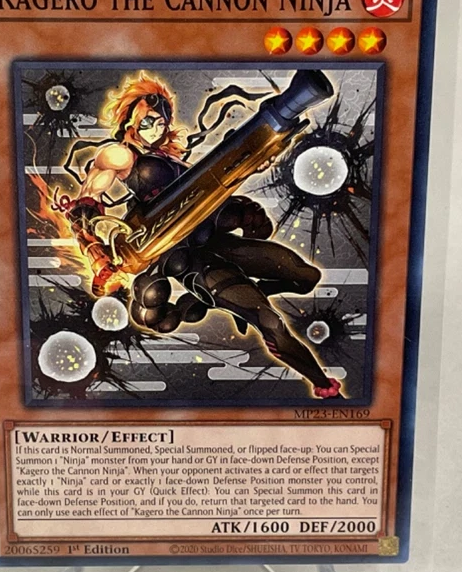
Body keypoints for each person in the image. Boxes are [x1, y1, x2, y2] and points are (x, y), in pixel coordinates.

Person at [64, 72, 342, 399]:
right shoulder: (122, 156)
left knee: (306, 276)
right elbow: (84, 203)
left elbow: (220, 184)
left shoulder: (176, 163)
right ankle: (324, 385)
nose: (155, 128)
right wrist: (97, 252)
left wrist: (253, 169)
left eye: (160, 122)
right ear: (130, 124)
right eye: (147, 122)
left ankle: (239, 295)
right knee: (270, 322)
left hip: (215, 240)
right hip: (188, 258)